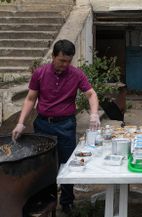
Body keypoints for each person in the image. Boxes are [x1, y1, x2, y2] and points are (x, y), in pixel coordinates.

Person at [11, 39, 100, 214]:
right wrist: (21, 123)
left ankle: (67, 202)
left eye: (68, 61)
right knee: (44, 165)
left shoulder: (76, 74)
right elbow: (30, 99)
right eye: (61, 61)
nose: (65, 65)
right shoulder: (40, 73)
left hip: (66, 124)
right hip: (43, 124)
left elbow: (91, 94)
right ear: (53, 56)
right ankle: (46, 203)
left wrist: (94, 114)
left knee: (68, 164)